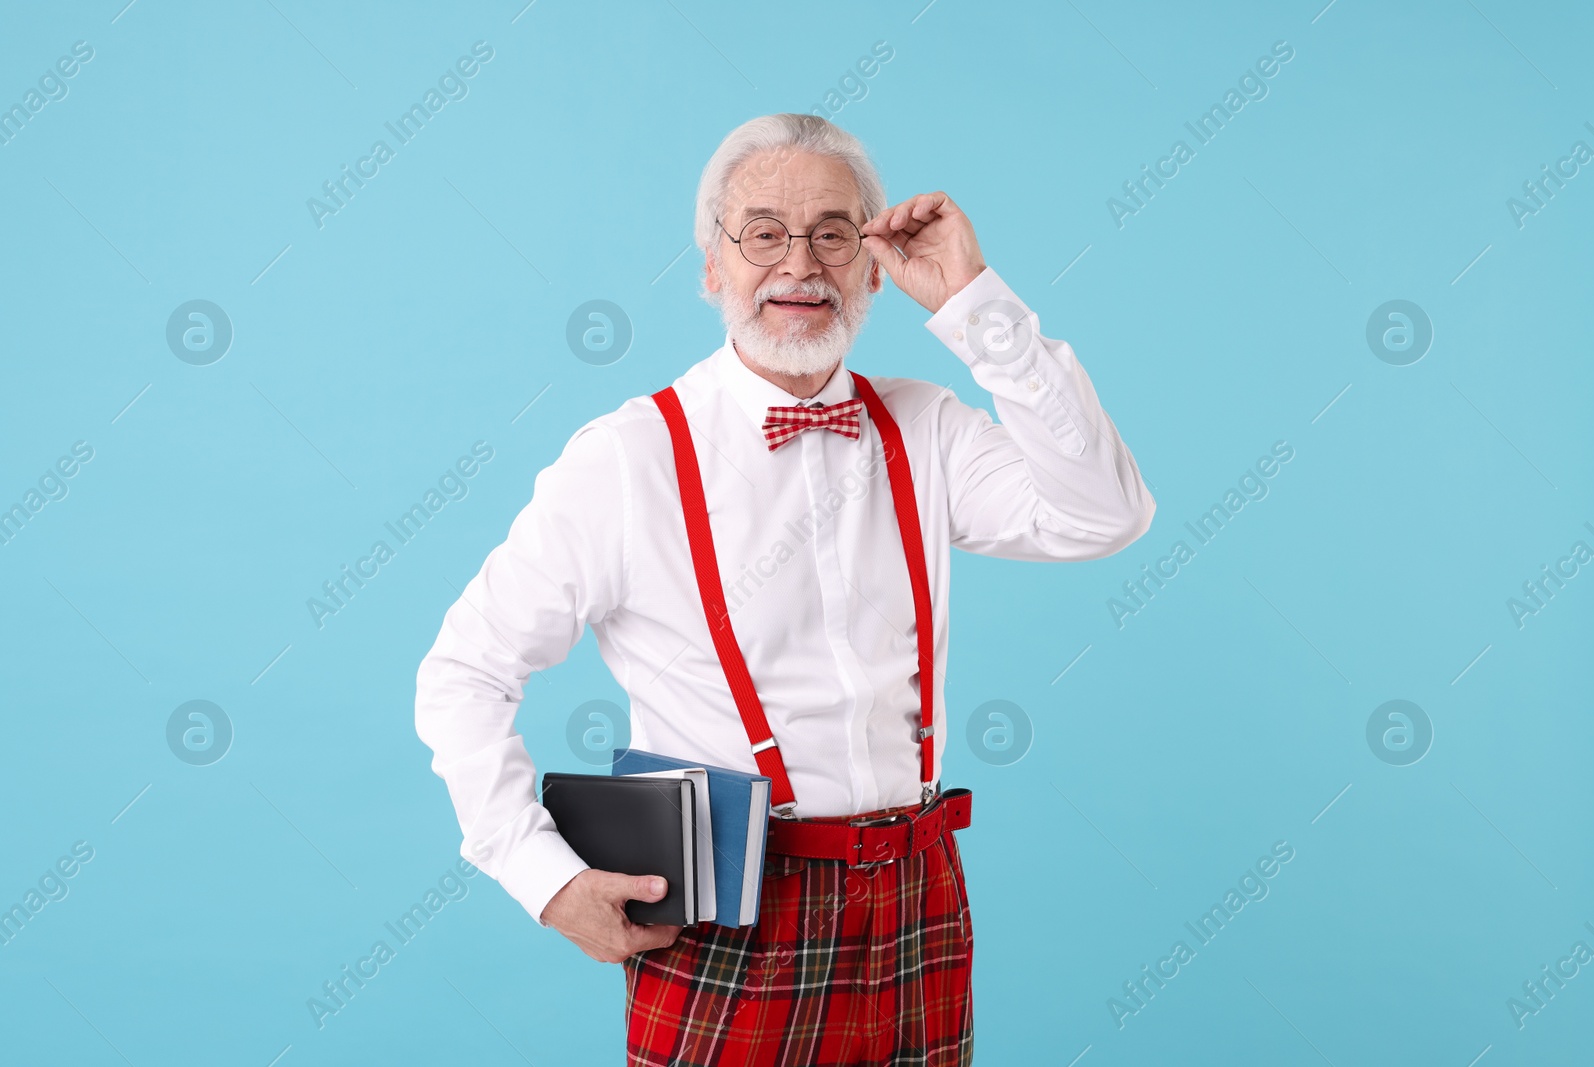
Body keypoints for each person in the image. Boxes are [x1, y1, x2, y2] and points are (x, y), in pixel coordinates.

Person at [415, 112, 1156, 1066]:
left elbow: (1106, 511)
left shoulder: (924, 428)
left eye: (833, 234)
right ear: (712, 265)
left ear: (874, 264)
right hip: (733, 918)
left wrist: (976, 302)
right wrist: (543, 875)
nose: (798, 263)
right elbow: (463, 671)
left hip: (919, 897)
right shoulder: (629, 458)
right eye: (763, 232)